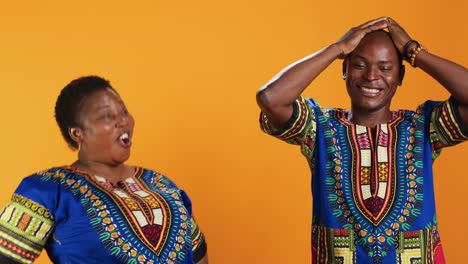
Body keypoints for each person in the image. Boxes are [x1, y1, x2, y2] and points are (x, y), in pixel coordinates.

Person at [256, 17, 468, 264]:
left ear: (400, 76)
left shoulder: (424, 127)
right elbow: (271, 98)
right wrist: (337, 48)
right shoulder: (319, 128)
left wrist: (413, 50)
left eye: (386, 68)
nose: (371, 76)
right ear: (344, 70)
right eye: (359, 64)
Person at [0, 76, 208, 264]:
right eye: (106, 116)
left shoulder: (161, 183)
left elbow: (199, 256)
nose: (122, 121)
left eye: (124, 112)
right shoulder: (47, 190)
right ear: (77, 132)